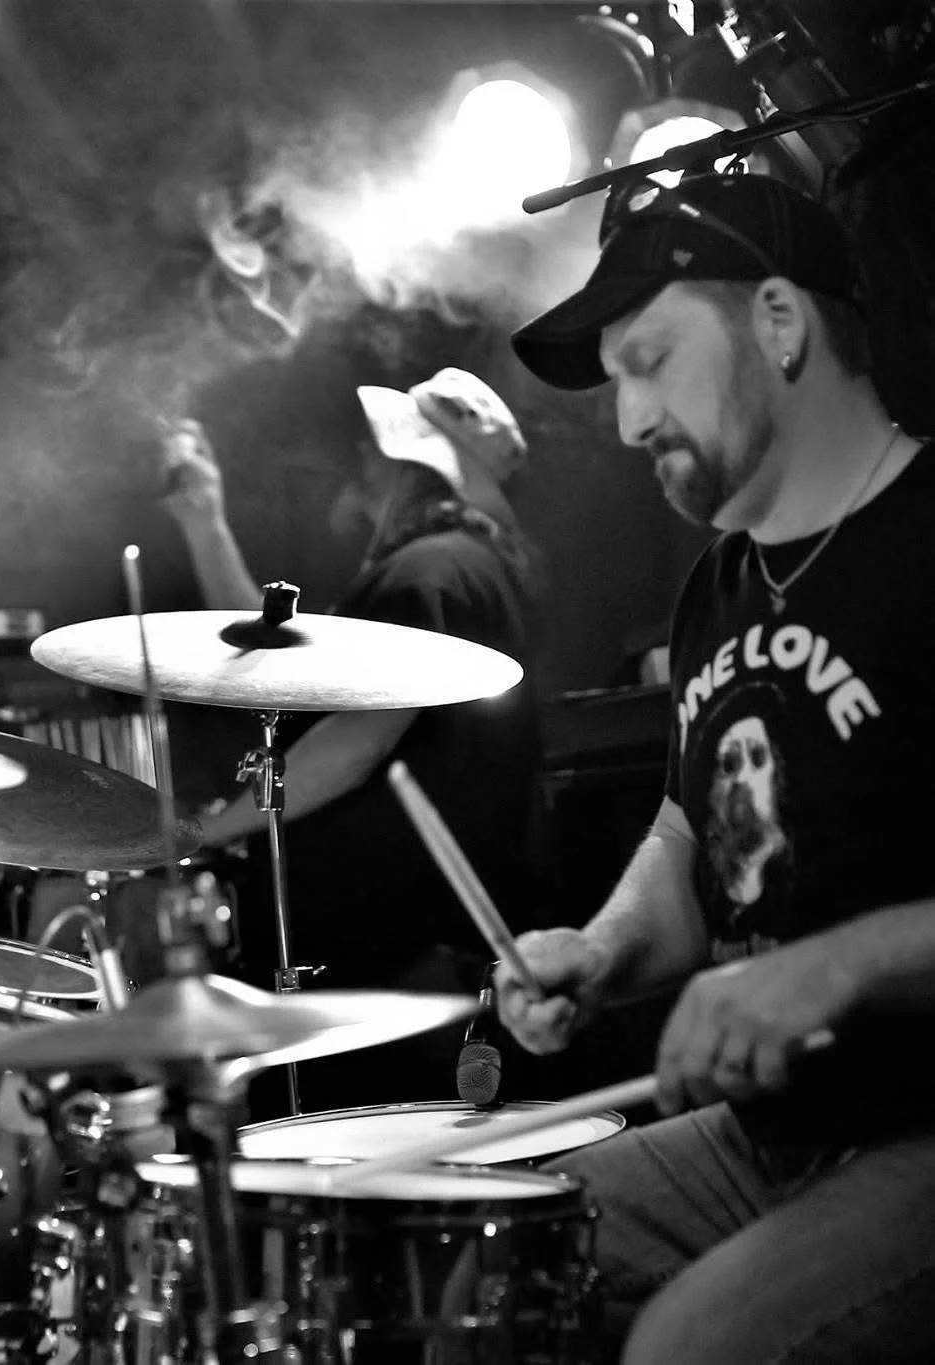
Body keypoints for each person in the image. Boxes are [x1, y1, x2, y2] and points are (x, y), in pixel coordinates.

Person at [500, 168, 935, 1362]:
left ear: (779, 322)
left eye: (647, 358)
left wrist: (833, 969)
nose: (626, 420)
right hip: (770, 1137)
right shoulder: (718, 585)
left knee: (686, 1347)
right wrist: (600, 949)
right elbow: (688, 841)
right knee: (482, 1268)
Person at [160, 368, 550, 1113]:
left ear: (410, 467)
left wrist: (203, 827)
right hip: (422, 966)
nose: (361, 459)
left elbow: (353, 742)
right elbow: (282, 669)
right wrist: (205, 520)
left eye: (378, 448)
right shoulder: (454, 568)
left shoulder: (425, 573)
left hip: (399, 973)